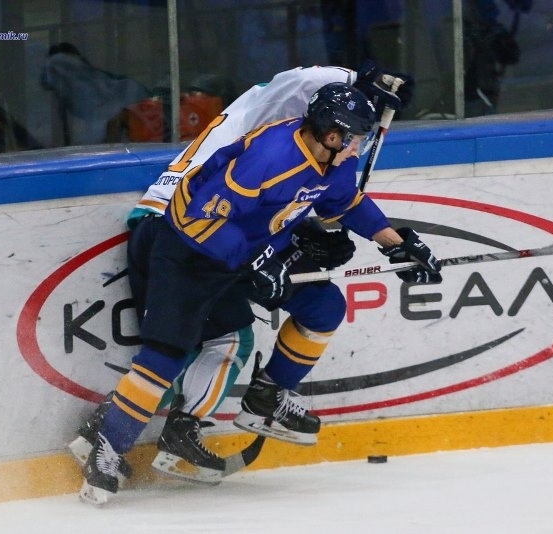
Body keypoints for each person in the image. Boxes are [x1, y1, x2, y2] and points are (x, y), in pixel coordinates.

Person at [78, 80, 441, 505]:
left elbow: (344, 201)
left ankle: (267, 397)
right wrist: (257, 261)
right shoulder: (270, 157)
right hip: (191, 250)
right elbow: (200, 218)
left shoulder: (335, 159)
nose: (358, 147)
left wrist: (394, 242)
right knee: (166, 356)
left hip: (253, 246)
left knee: (324, 305)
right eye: (355, 138)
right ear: (331, 135)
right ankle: (106, 450)